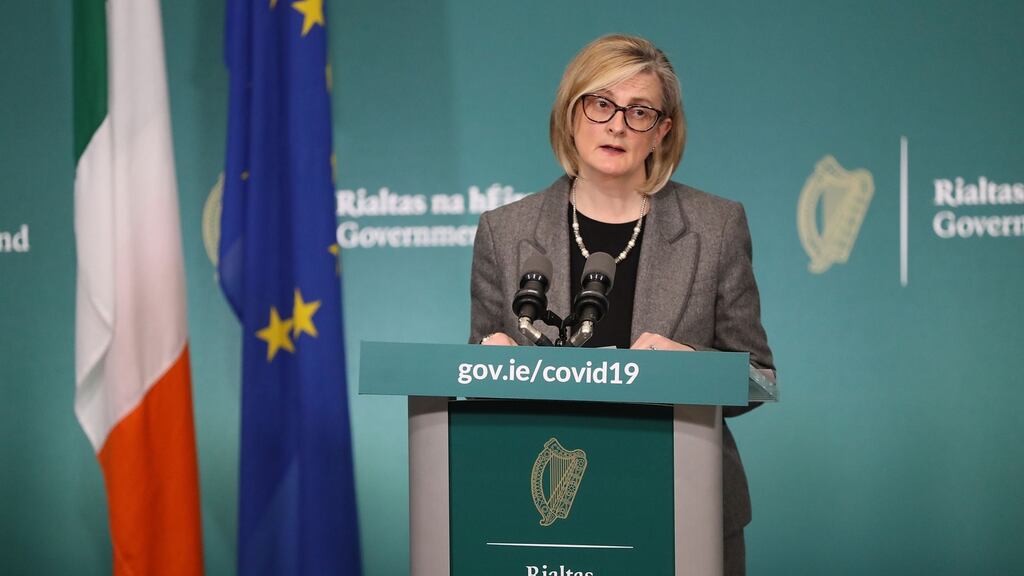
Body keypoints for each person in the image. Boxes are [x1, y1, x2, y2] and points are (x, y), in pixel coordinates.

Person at [468, 34, 774, 574]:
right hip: (550, 514)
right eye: (601, 103)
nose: (616, 124)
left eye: (639, 112)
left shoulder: (716, 226)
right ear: (570, 115)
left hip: (685, 504)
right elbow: (478, 374)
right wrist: (487, 367)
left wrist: (693, 370)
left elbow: (760, 378)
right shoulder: (504, 231)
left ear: (662, 131)